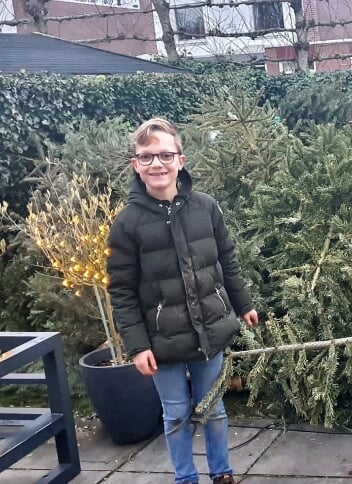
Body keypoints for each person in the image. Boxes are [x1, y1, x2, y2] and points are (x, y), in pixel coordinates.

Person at [107, 118, 259, 484]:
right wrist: (137, 345)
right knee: (175, 413)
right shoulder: (126, 224)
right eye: (147, 157)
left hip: (211, 329)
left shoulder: (205, 208)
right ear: (135, 165)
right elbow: (121, 290)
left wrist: (243, 304)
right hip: (162, 342)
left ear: (181, 160)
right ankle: (185, 478)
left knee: (214, 409)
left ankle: (222, 473)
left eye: (164, 155)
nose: (156, 164)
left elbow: (227, 260)